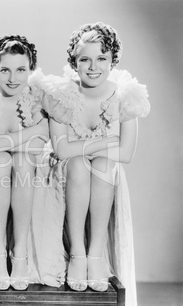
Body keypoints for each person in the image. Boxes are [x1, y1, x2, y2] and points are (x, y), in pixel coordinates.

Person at [45, 22, 150, 305]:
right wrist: (105, 142)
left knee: (103, 163)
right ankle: (78, 253)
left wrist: (89, 149)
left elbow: (126, 153)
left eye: (101, 58)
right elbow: (61, 150)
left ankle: (96, 254)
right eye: (85, 59)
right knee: (79, 163)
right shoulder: (60, 94)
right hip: (66, 174)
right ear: (74, 62)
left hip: (105, 172)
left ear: (113, 60)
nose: (93, 67)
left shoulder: (125, 96)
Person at [0, 35, 64, 291]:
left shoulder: (35, 97)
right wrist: (30, 132)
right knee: (2, 160)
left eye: (21, 70)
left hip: (26, 161)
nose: (13, 78)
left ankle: (20, 251)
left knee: (23, 160)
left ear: (30, 69)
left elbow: (38, 146)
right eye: (5, 70)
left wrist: (9, 140)